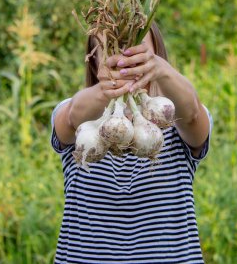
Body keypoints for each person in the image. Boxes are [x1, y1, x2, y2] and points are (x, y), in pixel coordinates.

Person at [50, 22, 212, 264]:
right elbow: (71, 117)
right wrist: (107, 91)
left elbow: (194, 116)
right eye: (111, 53)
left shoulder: (172, 118)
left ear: (155, 56)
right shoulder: (81, 120)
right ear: (94, 61)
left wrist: (161, 70)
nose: (124, 62)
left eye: (136, 52)